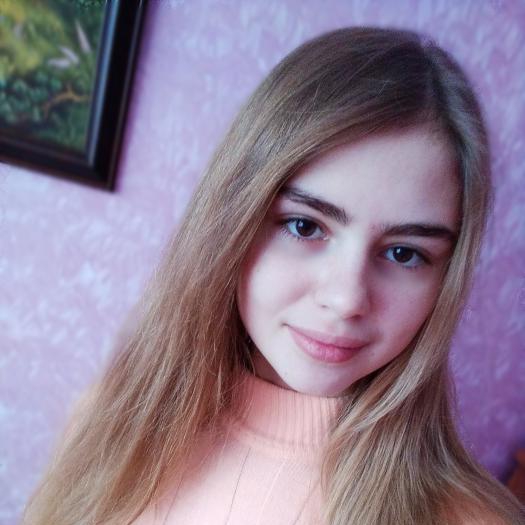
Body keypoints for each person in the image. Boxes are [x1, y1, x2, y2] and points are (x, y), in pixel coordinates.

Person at [22, 27, 525, 525]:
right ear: (232, 221)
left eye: (403, 253)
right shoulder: (109, 424)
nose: (346, 298)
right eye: (305, 226)